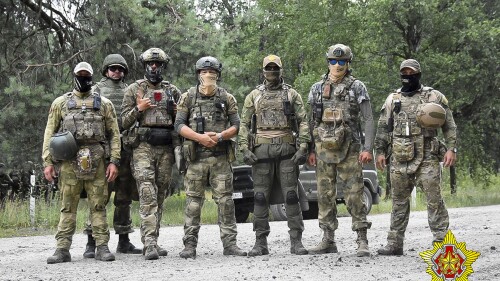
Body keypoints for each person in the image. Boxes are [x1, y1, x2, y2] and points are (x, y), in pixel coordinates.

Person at [375, 59, 457, 255]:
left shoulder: (434, 97)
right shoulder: (392, 99)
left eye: (411, 72)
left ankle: (442, 244)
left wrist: (451, 149)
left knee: (434, 200)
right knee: (398, 202)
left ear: (418, 74)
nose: (407, 76)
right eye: (404, 72)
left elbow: (449, 125)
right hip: (399, 157)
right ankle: (394, 244)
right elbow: (383, 127)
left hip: (427, 157)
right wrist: (379, 151)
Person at [42, 62, 121, 264]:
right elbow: (49, 133)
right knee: (68, 206)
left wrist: (114, 161)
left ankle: (102, 247)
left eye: (87, 75)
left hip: (97, 161)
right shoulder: (60, 103)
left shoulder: (104, 104)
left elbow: (114, 135)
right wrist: (48, 162)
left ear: (92, 77)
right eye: (81, 75)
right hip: (69, 160)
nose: (84, 78)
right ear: (75, 76)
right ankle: (62, 249)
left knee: (98, 205)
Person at [174, 56, 246, 259]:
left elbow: (237, 125)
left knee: (226, 202)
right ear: (198, 75)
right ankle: (189, 245)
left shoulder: (226, 98)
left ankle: (230, 245)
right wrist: (199, 138)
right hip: (196, 158)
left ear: (218, 75)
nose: (208, 76)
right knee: (193, 202)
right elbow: (179, 125)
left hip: (220, 158)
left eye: (212, 73)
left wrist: (221, 136)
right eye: (204, 73)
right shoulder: (188, 97)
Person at [238, 55, 310, 256]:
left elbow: (303, 121)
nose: (272, 71)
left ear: (281, 69)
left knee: (291, 195)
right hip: (261, 152)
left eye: (275, 67)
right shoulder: (254, 96)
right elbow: (244, 124)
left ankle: (296, 241)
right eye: (268, 68)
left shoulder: (292, 94)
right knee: (260, 197)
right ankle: (260, 242)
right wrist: (244, 148)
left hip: (287, 151)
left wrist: (303, 146)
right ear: (263, 70)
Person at [307, 44, 375, 257]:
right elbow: (311, 121)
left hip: (350, 149)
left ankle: (362, 239)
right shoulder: (317, 88)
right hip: (323, 149)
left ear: (348, 63)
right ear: (328, 62)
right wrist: (310, 149)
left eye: (342, 62)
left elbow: (369, 118)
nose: (337, 65)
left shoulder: (357, 87)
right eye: (333, 61)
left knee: (354, 193)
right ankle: (328, 239)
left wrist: (368, 148)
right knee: (325, 194)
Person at [121, 48, 181, 260]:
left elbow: (181, 123)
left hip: (165, 149)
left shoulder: (173, 91)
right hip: (143, 148)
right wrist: (139, 108)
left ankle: (153, 238)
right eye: (150, 64)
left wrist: (175, 112)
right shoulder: (134, 89)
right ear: (145, 65)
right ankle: (149, 244)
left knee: (160, 195)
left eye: (157, 64)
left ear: (163, 66)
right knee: (147, 193)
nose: (153, 67)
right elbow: (122, 122)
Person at [82, 54, 142, 258]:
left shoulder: (130, 91)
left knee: (124, 197)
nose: (117, 72)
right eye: (113, 68)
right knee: (99, 196)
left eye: (120, 69)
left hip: (126, 149)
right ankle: (92, 242)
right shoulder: (95, 90)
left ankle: (124, 240)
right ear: (106, 70)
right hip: (102, 150)